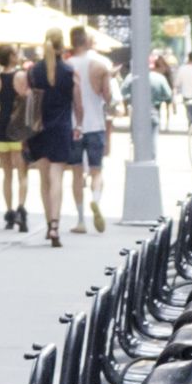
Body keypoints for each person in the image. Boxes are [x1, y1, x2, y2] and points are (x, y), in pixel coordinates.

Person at [23, 32, 84, 246]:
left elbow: (27, 100)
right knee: (57, 177)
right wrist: (78, 125)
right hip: (61, 128)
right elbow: (78, 103)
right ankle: (56, 225)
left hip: (38, 129)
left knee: (44, 179)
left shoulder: (33, 71)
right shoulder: (69, 71)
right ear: (62, 46)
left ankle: (49, 224)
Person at [68, 23, 115, 232]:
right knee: (96, 171)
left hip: (73, 126)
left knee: (77, 173)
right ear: (87, 41)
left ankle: (80, 220)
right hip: (95, 124)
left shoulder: (66, 65)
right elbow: (108, 96)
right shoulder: (100, 64)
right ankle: (96, 199)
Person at [0, 45, 35, 231]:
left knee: (7, 174)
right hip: (18, 130)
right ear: (11, 57)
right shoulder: (22, 77)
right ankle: (21, 208)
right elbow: (29, 101)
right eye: (16, 53)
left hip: (1, 130)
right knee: (22, 173)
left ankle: (9, 213)